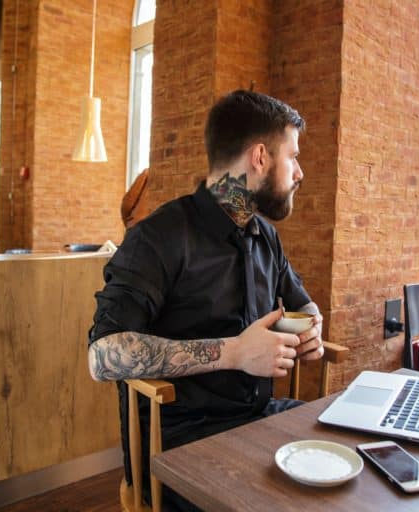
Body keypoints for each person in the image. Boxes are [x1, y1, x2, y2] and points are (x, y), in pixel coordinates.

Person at [87, 90, 324, 511]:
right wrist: (235, 352)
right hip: (180, 442)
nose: (300, 172)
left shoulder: (265, 236)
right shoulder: (158, 238)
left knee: (345, 460)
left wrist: (312, 328)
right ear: (260, 158)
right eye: (293, 157)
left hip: (258, 420)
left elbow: (303, 304)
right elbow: (103, 356)